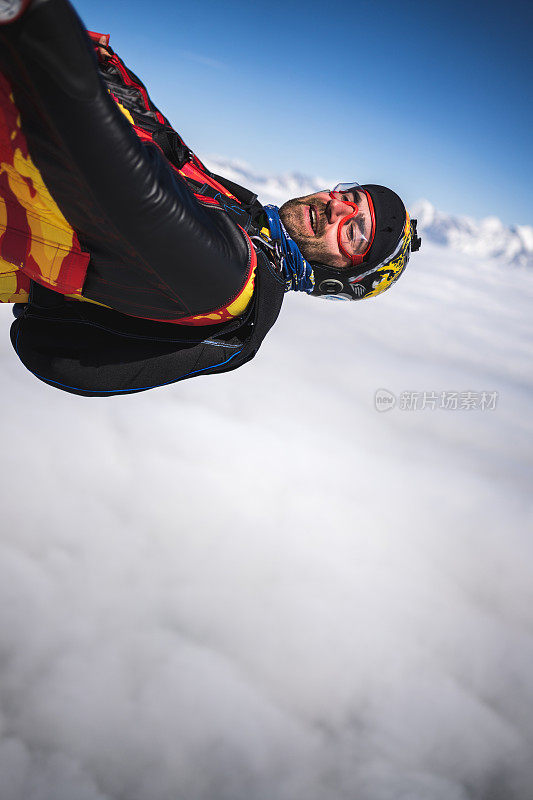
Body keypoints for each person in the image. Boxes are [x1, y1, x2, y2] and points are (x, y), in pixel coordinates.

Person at [0, 0, 421, 397]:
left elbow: (121, 185)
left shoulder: (230, 280)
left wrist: (35, 25)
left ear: (338, 278)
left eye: (356, 232)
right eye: (350, 196)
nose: (338, 207)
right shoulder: (243, 219)